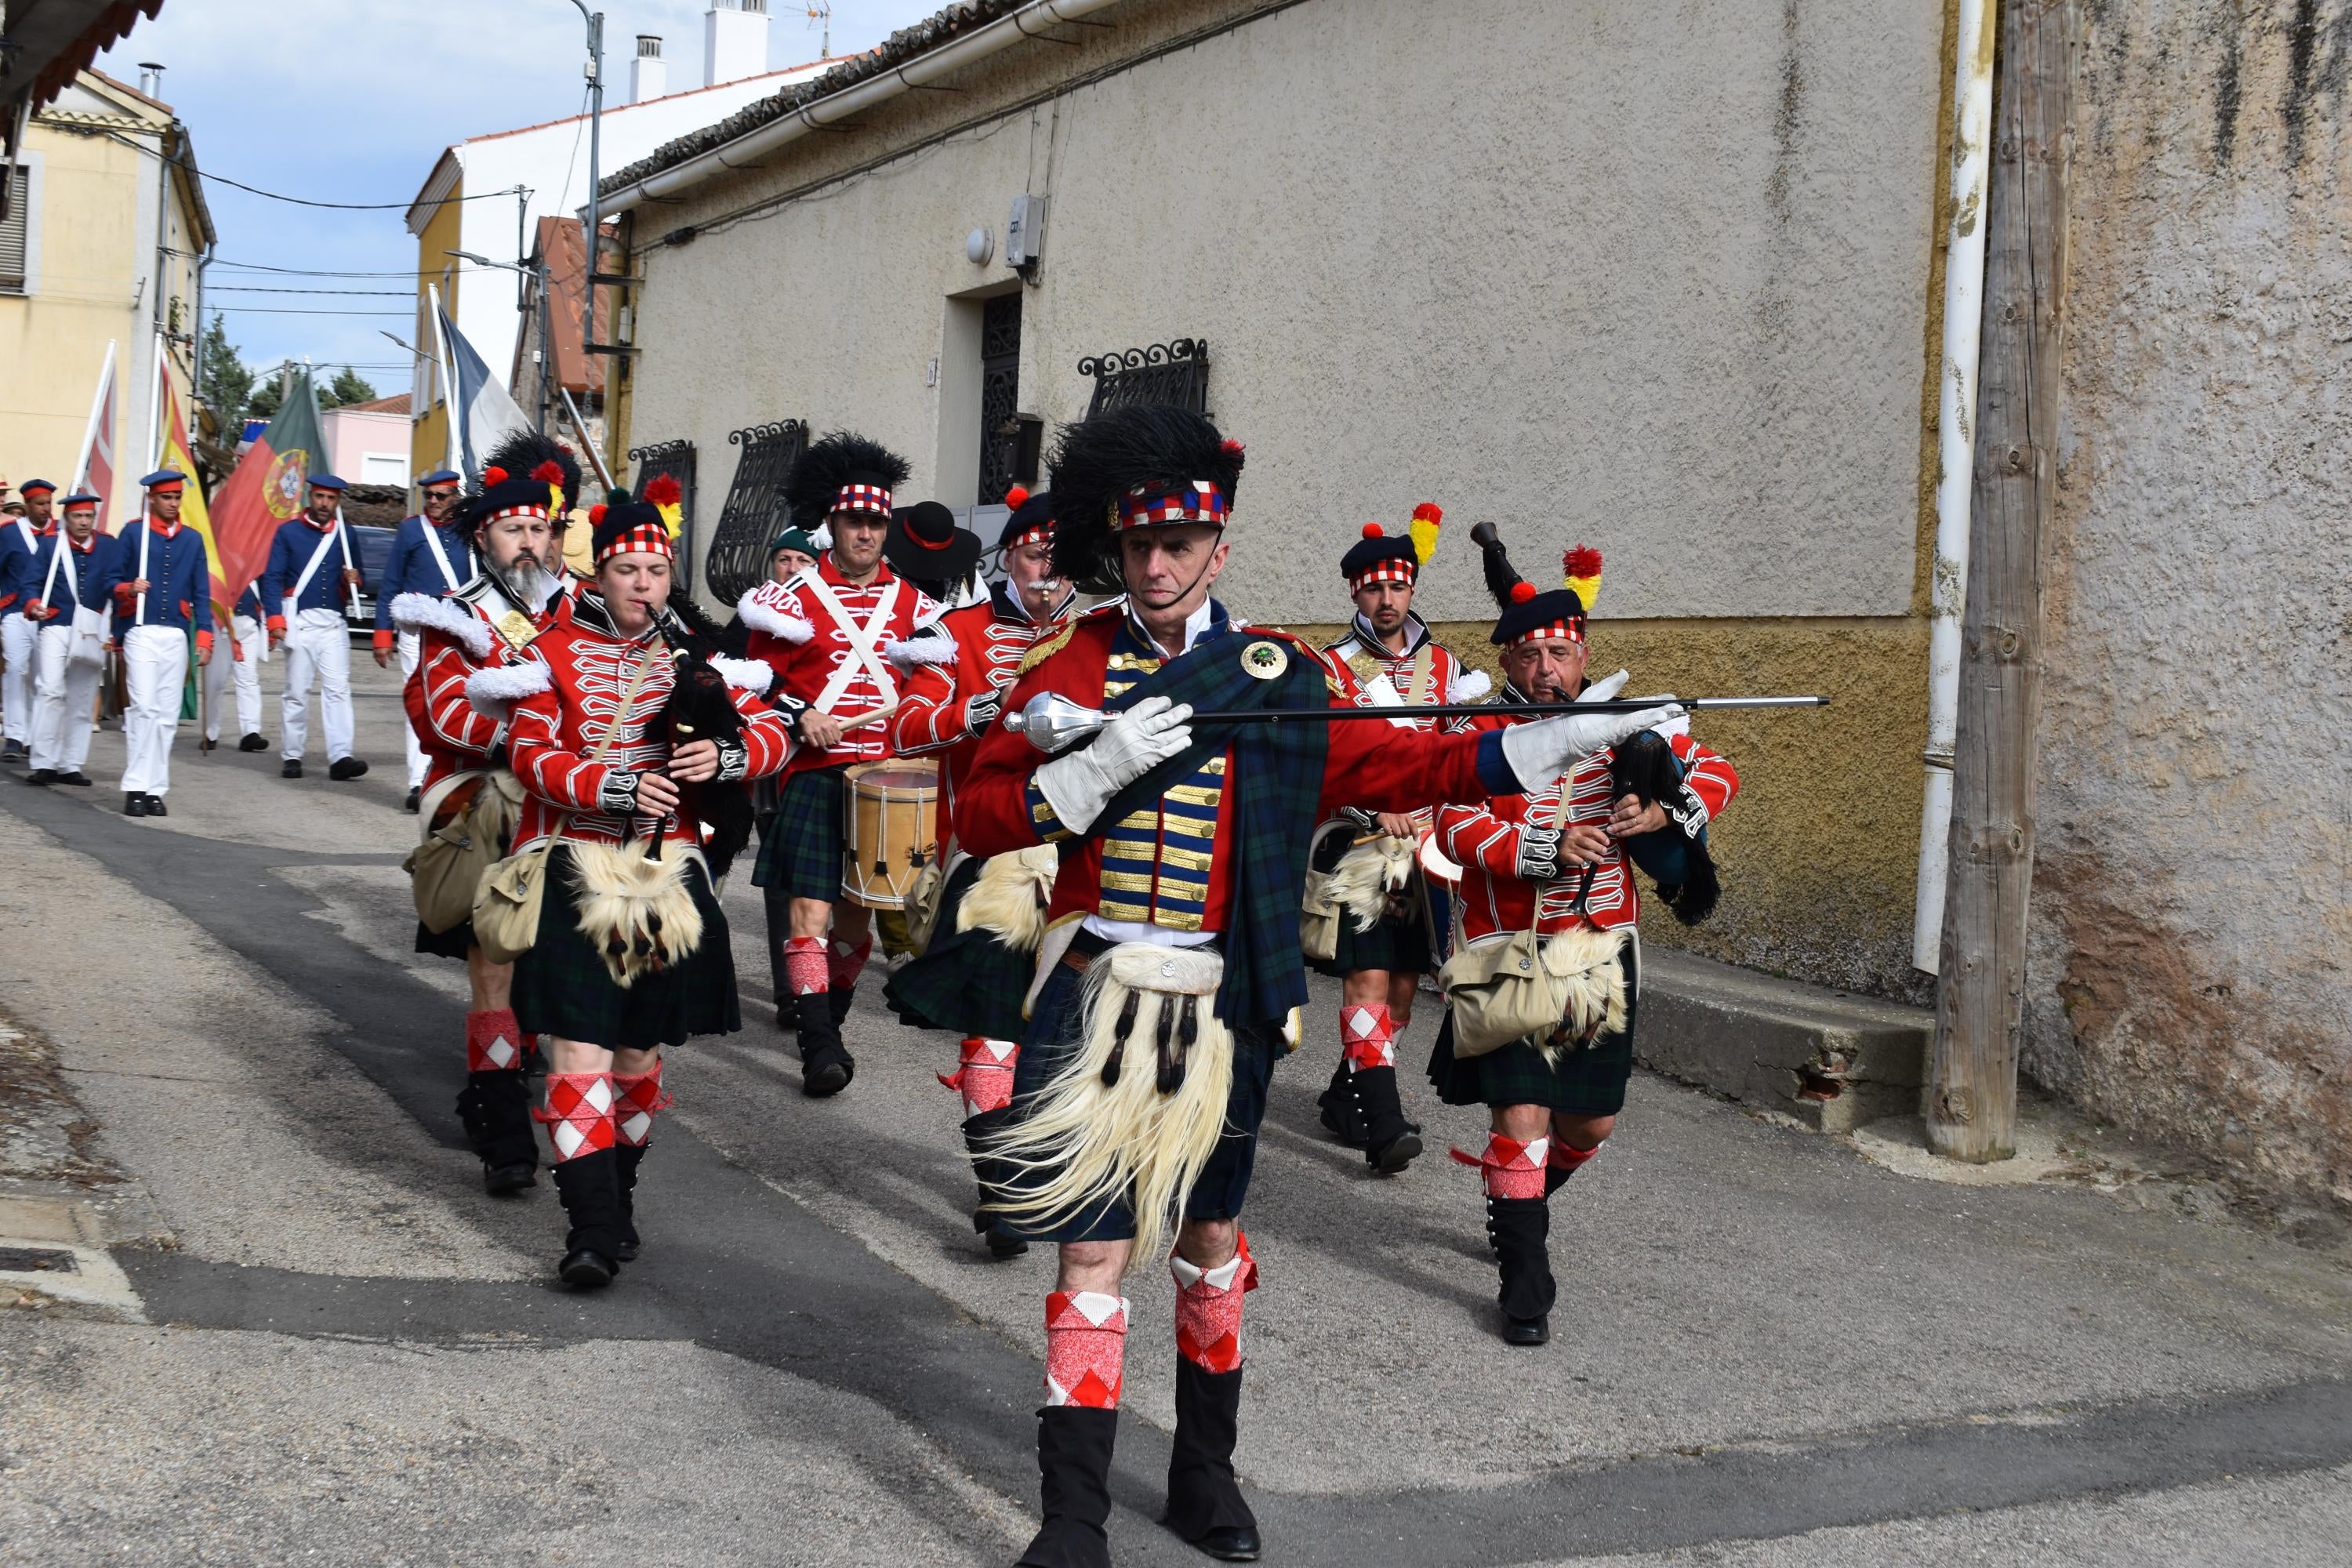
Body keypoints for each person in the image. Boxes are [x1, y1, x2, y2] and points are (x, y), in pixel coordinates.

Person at [953, 405, 1677, 1568]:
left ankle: (1203, 1476)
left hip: (1224, 1001)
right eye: (1138, 546)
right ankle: (1072, 1520)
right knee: (1090, 1255)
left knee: (1209, 1242)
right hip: (1098, 990)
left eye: (1178, 547)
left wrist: (1563, 738)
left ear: (1218, 548)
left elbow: (1417, 758)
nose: (1155, 567)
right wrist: (1088, 770)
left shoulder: (1278, 672)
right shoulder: (1067, 662)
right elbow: (977, 813)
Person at [473, 494, 793, 1287]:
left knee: (637, 1055)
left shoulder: (702, 660)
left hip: (666, 878)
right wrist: (610, 785)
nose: (642, 585)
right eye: (626, 570)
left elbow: (775, 731)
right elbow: (531, 755)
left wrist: (723, 760)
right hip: (579, 868)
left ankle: (617, 1194)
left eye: (655, 571)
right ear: (599, 573)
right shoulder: (551, 650)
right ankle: (587, 1227)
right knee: (576, 1048)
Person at [1428, 534, 1738, 1348]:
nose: (1545, 669)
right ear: (1509, 659)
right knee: (1521, 1111)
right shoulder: (1478, 729)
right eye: (1529, 654)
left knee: (1588, 1125)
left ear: (1583, 652)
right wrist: (1540, 847)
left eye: (1559, 651)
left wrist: (1664, 812)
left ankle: (1516, 1199)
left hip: (1600, 950)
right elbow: (1453, 822)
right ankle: (1525, 1281)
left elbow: (1715, 771)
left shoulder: (1624, 723)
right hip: (1505, 949)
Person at [884, 485, 1075, 1259]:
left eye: (1059, 557)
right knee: (993, 1027)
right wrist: (968, 711)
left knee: (1066, 1033)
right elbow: (905, 721)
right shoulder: (958, 632)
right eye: (1033, 552)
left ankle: (1042, 1162)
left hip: (1085, 865)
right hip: (995, 855)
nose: (1046, 569)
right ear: (1009, 557)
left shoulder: (1103, 635)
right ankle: (1001, 1183)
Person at [394, 435, 583, 1195]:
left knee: (565, 970)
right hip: (492, 804)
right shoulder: (457, 619)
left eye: (540, 527)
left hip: (576, 805)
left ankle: (533, 1101)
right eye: (514, 528)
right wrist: (532, 738)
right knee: (494, 965)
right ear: (484, 537)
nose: (530, 540)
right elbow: (440, 715)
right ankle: (505, 1124)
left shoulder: (589, 609)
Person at [738, 431, 938, 1097]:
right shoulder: (790, 600)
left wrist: (916, 708)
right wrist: (800, 713)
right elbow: (754, 679)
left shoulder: (915, 605)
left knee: (857, 921)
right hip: (816, 772)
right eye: (855, 521)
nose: (866, 533)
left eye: (877, 522)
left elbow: (939, 682)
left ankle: (833, 1019)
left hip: (886, 777)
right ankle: (817, 1044)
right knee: (810, 913)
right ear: (832, 522)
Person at [1306, 506, 1490, 1174]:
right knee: (1370, 978)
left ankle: (1344, 1093)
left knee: (1406, 989)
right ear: (1355, 590)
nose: (1387, 600)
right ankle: (1384, 1125)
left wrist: (1438, 813)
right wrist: (1372, 808)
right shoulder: (1329, 667)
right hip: (1361, 848)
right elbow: (1319, 755)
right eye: (1374, 588)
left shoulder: (1449, 666)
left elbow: (1462, 749)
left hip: (1431, 848)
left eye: (1399, 587)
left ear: (1412, 589)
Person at [110, 470, 213, 818]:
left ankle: (155, 788)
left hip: (175, 633)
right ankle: (134, 787)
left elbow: (202, 590)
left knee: (168, 716)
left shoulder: (193, 540)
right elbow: (111, 580)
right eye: (166, 497)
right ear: (152, 499)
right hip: (140, 630)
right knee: (144, 709)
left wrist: (205, 636)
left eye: (176, 497)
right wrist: (128, 588)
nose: (172, 503)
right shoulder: (132, 533)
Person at [373, 468, 473, 811]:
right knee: (420, 701)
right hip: (417, 629)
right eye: (428, 496)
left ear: (455, 497)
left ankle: (455, 777)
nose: (433, 502)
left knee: (462, 702)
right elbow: (391, 581)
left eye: (441, 496)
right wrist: (382, 631)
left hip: (460, 629)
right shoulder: (410, 530)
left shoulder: (469, 529)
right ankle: (418, 781)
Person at [261, 474, 368, 782]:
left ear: (338, 501)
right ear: (311, 496)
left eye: (331, 499)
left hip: (333, 622)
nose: (325, 504)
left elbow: (356, 577)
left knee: (338, 690)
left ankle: (341, 756)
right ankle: (292, 754)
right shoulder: (289, 532)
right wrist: (275, 620)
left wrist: (354, 579)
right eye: (320, 497)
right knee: (297, 691)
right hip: (301, 622)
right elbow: (272, 578)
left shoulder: (346, 534)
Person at [18, 489, 118, 786]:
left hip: (92, 628)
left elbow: (116, 583)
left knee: (83, 696)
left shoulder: (109, 546)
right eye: (77, 516)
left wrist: (114, 626)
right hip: (56, 624)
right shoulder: (50, 545)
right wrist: (34, 604)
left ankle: (70, 763)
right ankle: (44, 761)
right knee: (49, 690)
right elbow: (30, 582)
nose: (84, 522)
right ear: (67, 518)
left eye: (88, 516)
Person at [1, 477, 61, 763]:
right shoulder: (10, 534)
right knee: (16, 668)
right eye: (40, 504)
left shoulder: (60, 533)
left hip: (49, 615)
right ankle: (14, 734)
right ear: (27, 505)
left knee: (43, 677)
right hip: (14, 611)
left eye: (49, 503)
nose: (46, 509)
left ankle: (35, 736)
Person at [201, 581, 268, 753]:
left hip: (248, 620)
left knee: (248, 679)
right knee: (215, 682)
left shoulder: (254, 554)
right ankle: (210, 732)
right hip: (220, 622)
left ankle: (251, 732)